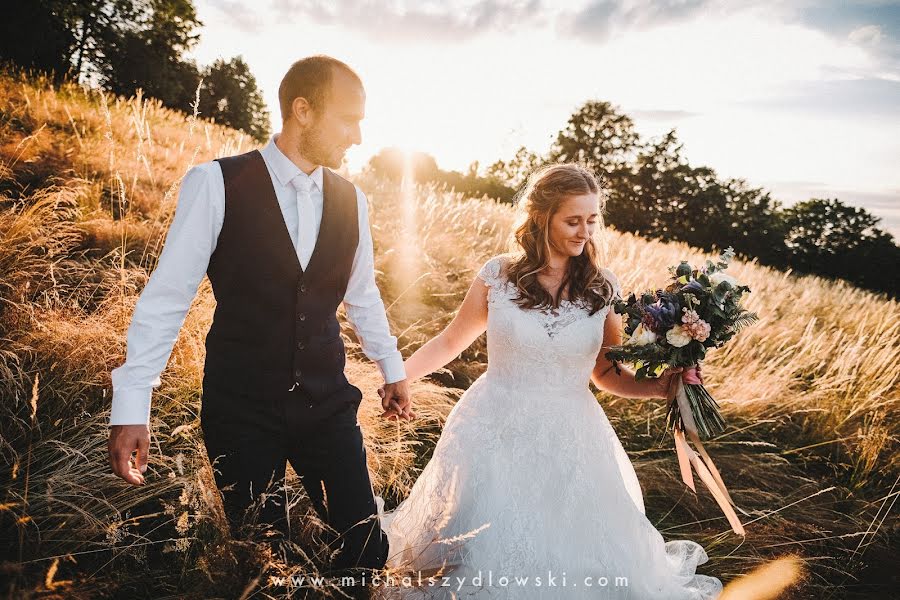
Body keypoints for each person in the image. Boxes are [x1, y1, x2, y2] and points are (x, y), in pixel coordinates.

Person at [106, 55, 413, 582]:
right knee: (264, 562)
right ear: (303, 110)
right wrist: (133, 404)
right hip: (241, 411)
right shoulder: (215, 183)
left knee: (366, 546)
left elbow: (362, 296)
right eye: (348, 119)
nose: (359, 137)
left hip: (327, 404)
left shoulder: (353, 201)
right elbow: (167, 297)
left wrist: (392, 368)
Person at [377, 163, 722, 598]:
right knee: (478, 550)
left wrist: (659, 386)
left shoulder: (603, 288)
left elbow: (606, 373)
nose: (585, 232)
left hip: (571, 436)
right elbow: (450, 341)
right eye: (573, 220)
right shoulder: (499, 276)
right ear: (541, 218)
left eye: (592, 221)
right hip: (493, 428)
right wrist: (397, 376)